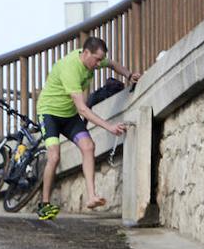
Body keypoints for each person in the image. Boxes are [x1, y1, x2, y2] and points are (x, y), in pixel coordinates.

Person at [34, 36, 139, 220]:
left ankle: (91, 196)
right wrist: (109, 127)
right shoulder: (70, 69)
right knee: (54, 156)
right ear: (86, 53)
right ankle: (44, 204)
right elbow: (83, 108)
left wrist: (129, 75)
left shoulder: (93, 59)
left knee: (88, 146)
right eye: (96, 59)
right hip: (49, 113)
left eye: (100, 60)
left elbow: (112, 63)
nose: (98, 64)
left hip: (68, 115)